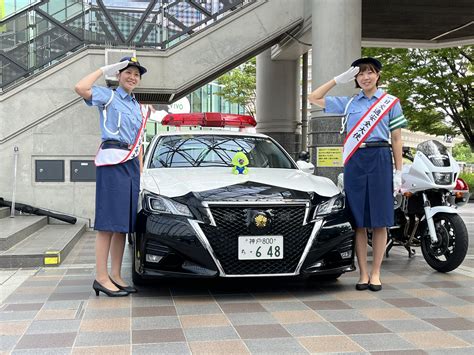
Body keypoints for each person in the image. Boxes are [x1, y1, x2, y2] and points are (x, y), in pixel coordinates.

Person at [308, 57, 407, 291]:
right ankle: (363, 273)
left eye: (370, 72)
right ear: (355, 78)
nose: (365, 77)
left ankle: (376, 273)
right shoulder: (349, 103)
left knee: (380, 221)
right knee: (359, 222)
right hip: (356, 161)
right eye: (360, 73)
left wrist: (398, 171)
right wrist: (336, 79)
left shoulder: (390, 103)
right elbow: (313, 98)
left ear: (378, 75)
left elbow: (396, 138)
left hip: (381, 159)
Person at [74, 57, 149, 297]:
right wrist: (103, 69)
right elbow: (80, 88)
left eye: (136, 74)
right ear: (119, 75)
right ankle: (101, 277)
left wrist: (141, 170)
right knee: (107, 224)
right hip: (112, 161)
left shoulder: (138, 106)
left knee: (123, 226)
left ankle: (116, 275)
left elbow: (138, 142)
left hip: (131, 165)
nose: (132, 77)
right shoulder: (108, 96)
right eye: (128, 72)